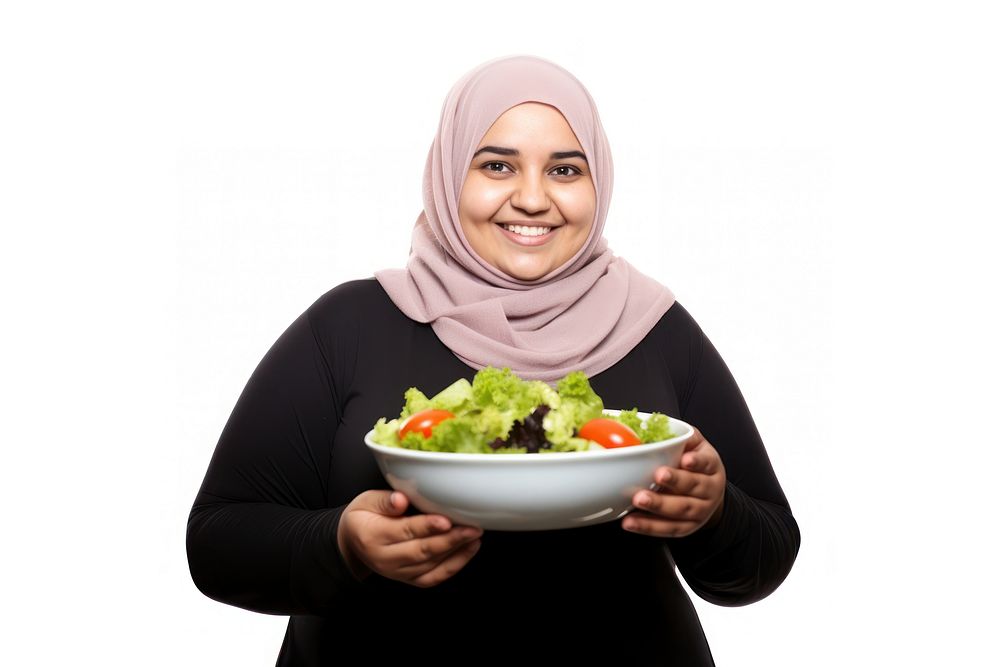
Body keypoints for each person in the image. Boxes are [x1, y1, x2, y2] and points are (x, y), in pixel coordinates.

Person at [186, 54, 800, 666]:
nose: (532, 199)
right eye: (497, 165)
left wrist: (715, 512)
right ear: (451, 174)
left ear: (599, 183)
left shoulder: (657, 327)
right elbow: (217, 542)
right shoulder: (347, 325)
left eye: (564, 169)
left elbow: (763, 559)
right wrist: (342, 543)